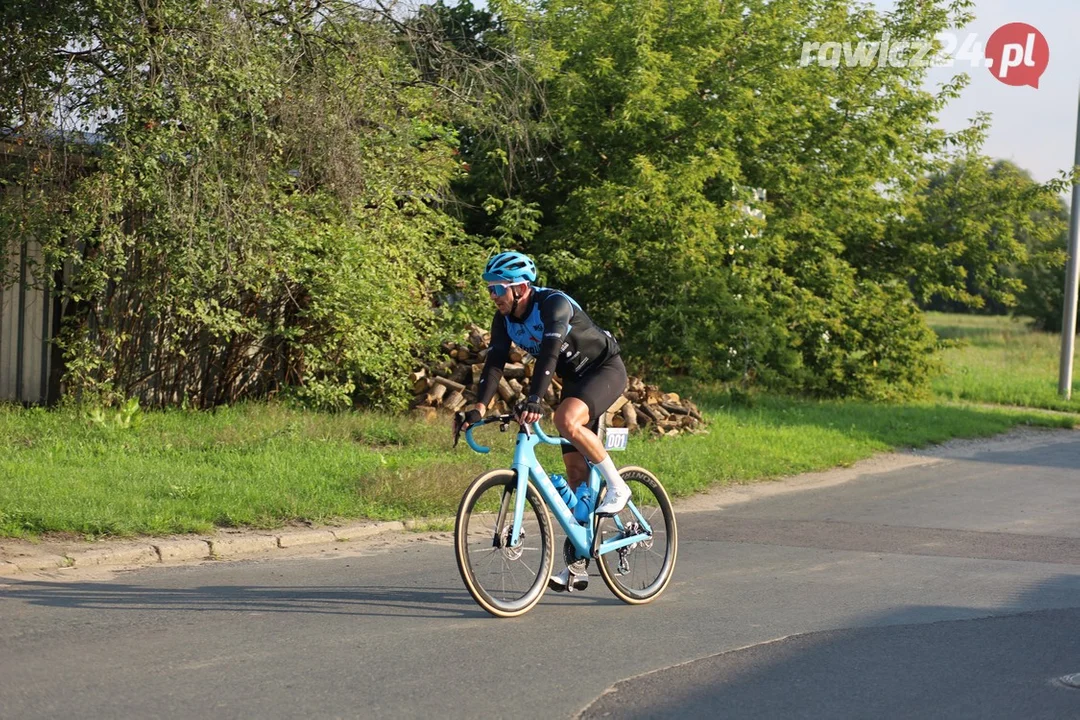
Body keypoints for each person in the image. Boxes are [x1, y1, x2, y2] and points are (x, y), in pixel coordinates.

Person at [457, 251, 631, 592]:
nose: (492, 297)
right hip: (574, 380)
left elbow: (550, 352)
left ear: (520, 288)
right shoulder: (504, 318)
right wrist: (477, 408)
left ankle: (618, 485)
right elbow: (494, 364)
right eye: (490, 290)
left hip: (604, 370)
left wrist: (535, 398)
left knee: (566, 419)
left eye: (497, 289)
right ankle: (580, 559)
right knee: (576, 473)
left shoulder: (553, 304)